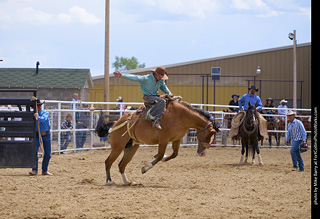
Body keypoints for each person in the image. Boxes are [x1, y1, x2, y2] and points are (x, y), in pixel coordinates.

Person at [113, 66, 173, 130]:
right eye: (161, 77)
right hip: (148, 97)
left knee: (166, 101)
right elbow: (135, 77)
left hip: (155, 96)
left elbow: (164, 87)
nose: (161, 78)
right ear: (156, 75)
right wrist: (122, 75)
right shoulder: (146, 78)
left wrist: (169, 93)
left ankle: (158, 121)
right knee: (162, 101)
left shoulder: (160, 81)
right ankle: (150, 115)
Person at [29, 99, 52, 176]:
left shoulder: (45, 112)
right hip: (37, 133)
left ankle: (44, 170)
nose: (38, 107)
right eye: (37, 106)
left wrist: (37, 117)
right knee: (34, 151)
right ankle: (34, 169)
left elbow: (44, 119)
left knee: (48, 153)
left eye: (39, 105)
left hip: (46, 133)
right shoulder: (33, 114)